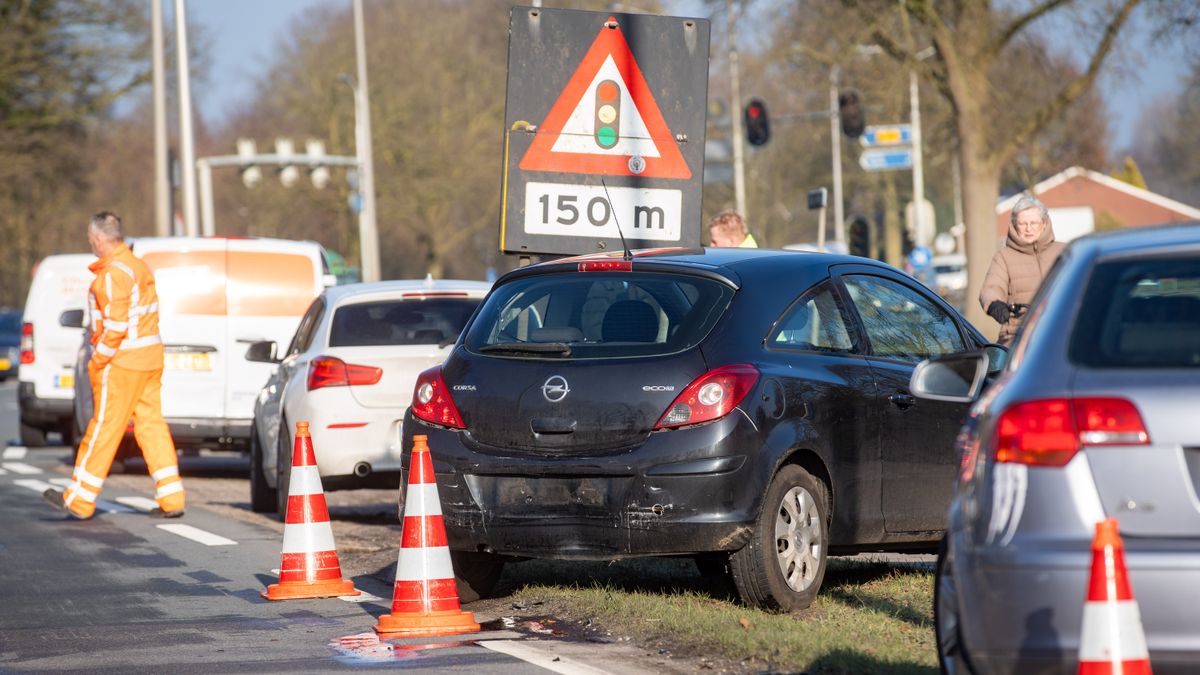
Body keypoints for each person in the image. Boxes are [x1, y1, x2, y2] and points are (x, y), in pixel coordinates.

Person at [44, 212, 185, 519]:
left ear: (98, 239)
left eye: (90, 240)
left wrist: (99, 360)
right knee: (151, 426)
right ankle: (171, 498)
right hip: (149, 358)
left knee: (103, 429)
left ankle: (79, 499)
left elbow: (115, 326)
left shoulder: (111, 274)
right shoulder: (136, 265)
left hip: (122, 362)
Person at [979, 195, 1065, 345]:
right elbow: (991, 288)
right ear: (1014, 225)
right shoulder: (1004, 257)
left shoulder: (1063, 252)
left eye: (1034, 223)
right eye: (1023, 223)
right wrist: (995, 305)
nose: (1029, 228)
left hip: (1060, 331)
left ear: (1044, 223)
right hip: (1018, 335)